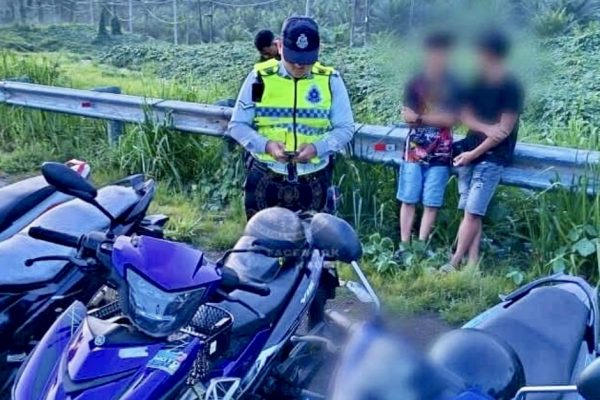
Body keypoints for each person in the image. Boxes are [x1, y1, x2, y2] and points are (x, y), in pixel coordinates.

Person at [228, 17, 354, 220]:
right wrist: (267, 145)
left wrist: (317, 148)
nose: (298, 65)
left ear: (319, 50)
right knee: (261, 238)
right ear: (279, 46)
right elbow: (238, 125)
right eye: (293, 57)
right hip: (265, 176)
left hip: (314, 178)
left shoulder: (330, 81)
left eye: (306, 59)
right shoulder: (260, 79)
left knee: (312, 239)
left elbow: (345, 128)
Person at [444, 30, 524, 271]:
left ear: (490, 53)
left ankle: (454, 262)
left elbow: (504, 130)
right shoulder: (476, 81)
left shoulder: (511, 86)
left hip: (492, 157)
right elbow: (464, 115)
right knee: (471, 212)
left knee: (472, 211)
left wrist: (474, 153)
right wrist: (486, 128)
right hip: (469, 150)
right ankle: (472, 263)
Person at [397, 31, 461, 256]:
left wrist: (421, 118)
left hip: (441, 152)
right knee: (408, 198)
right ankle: (404, 246)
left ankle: (421, 247)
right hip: (414, 150)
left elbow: (452, 119)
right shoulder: (415, 83)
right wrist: (427, 118)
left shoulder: (454, 85)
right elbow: (407, 117)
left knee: (432, 202)